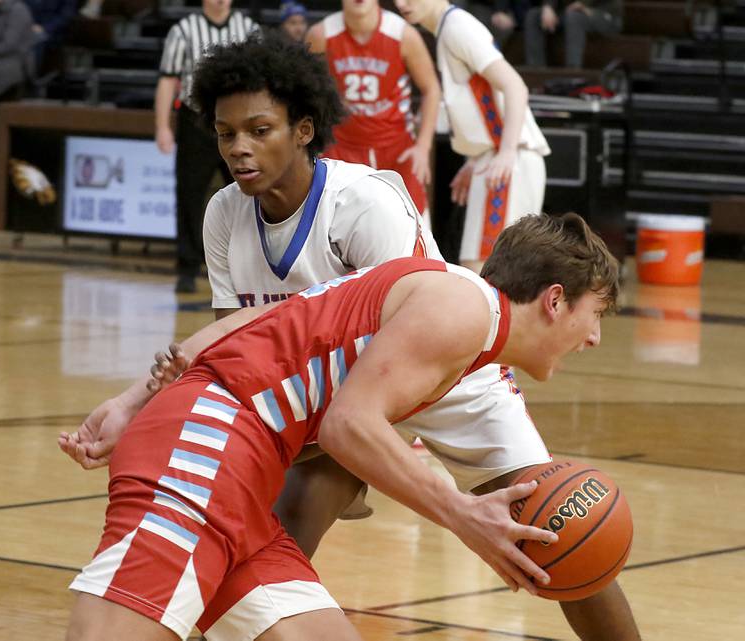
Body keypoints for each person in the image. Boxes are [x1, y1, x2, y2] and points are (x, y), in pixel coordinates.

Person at [60, 35, 640, 640]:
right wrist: (134, 399)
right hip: (229, 432)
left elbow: (354, 368)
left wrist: (379, 456)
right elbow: (287, 367)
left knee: (563, 530)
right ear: (554, 300)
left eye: (259, 129)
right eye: (226, 132)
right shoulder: (231, 215)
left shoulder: (372, 209)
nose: (239, 148)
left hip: (401, 382)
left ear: (304, 129)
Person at [63, 210, 622, 641]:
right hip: (205, 448)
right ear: (554, 301)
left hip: (236, 466)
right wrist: (464, 514)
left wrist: (137, 401)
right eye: (594, 314)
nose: (595, 338)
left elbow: (267, 317)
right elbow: (348, 425)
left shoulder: (447, 299)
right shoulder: (464, 311)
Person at [394, 0, 550, 274]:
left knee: (485, 274)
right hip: (496, 156)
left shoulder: (456, 26)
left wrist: (505, 152)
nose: (401, 3)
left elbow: (515, 86)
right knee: (484, 274)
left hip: (509, 160)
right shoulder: (447, 29)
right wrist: (474, 159)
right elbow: (484, 101)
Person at [155, 0, 259, 293]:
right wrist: (162, 126)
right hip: (197, 121)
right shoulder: (184, 30)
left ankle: (251, 265)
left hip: (239, 121)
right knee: (189, 194)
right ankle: (187, 267)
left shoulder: (249, 29)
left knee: (249, 194)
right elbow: (167, 80)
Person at [306, 0, 440, 221]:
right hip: (342, 150)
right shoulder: (321, 34)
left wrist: (423, 146)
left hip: (396, 148)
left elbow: (431, 89)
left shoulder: (402, 34)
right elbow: (307, 92)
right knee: (340, 231)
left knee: (416, 229)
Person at [524, 0, 622, 69]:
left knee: (574, 17)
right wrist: (548, 6)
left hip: (602, 13)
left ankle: (572, 71)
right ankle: (536, 68)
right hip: (569, 12)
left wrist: (582, 3)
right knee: (534, 16)